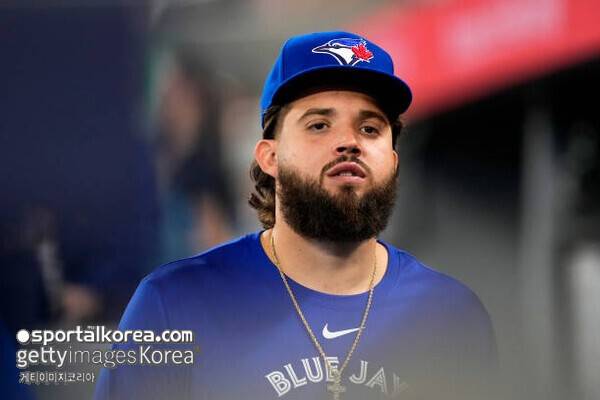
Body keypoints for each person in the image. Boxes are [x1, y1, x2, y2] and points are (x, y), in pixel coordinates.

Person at [95, 31, 497, 400]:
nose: (349, 142)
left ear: (392, 161)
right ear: (270, 157)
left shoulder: (451, 314)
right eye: (319, 125)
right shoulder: (173, 305)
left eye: (370, 129)